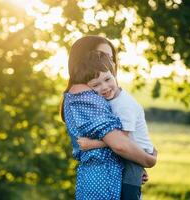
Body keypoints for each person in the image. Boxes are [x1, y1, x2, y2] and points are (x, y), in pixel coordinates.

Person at [61, 35, 157, 200]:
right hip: (102, 180)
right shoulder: (86, 95)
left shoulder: (101, 95)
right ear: (84, 59)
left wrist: (134, 165)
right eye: (101, 56)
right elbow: (120, 145)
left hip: (105, 177)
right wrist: (149, 160)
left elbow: (122, 141)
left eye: (110, 58)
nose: (109, 63)